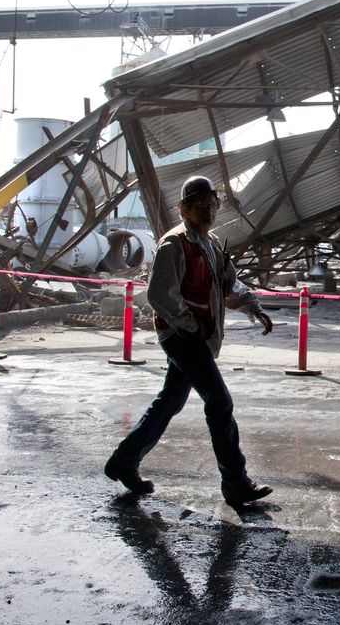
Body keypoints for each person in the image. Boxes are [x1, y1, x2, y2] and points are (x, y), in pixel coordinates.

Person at [104, 175, 275, 507]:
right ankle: (235, 483)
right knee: (220, 402)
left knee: (170, 401)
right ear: (183, 208)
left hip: (197, 336)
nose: (209, 210)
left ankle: (124, 461)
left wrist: (252, 306)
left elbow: (227, 286)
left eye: (213, 204)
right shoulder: (174, 244)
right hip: (182, 337)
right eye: (201, 205)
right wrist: (188, 324)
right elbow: (159, 295)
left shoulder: (209, 244)